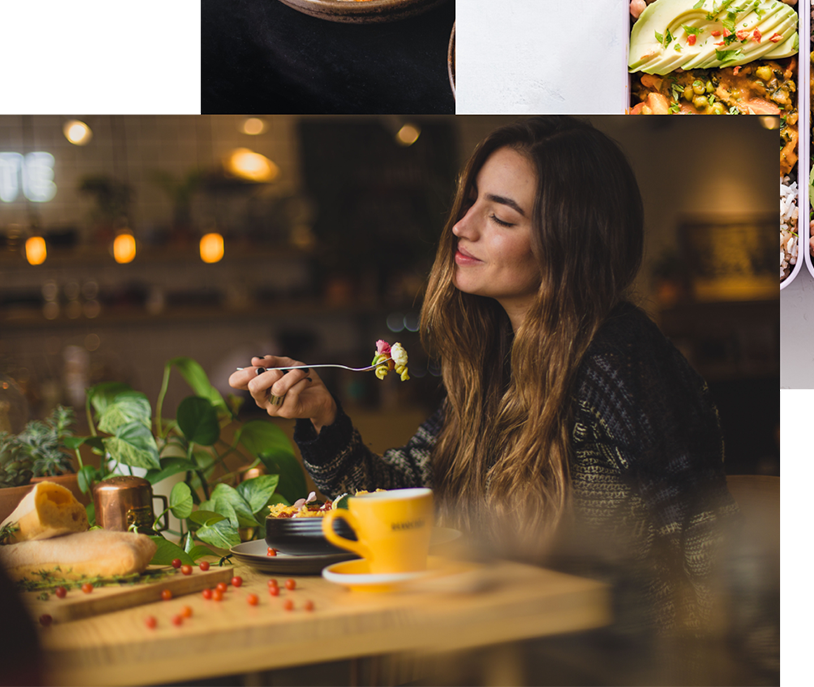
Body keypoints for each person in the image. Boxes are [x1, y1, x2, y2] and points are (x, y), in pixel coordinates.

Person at [229, 117, 733, 627]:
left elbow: (706, 545)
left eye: (502, 219)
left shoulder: (620, 362)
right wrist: (322, 416)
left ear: (570, 244)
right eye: (471, 202)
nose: (461, 226)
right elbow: (408, 497)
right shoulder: (498, 361)